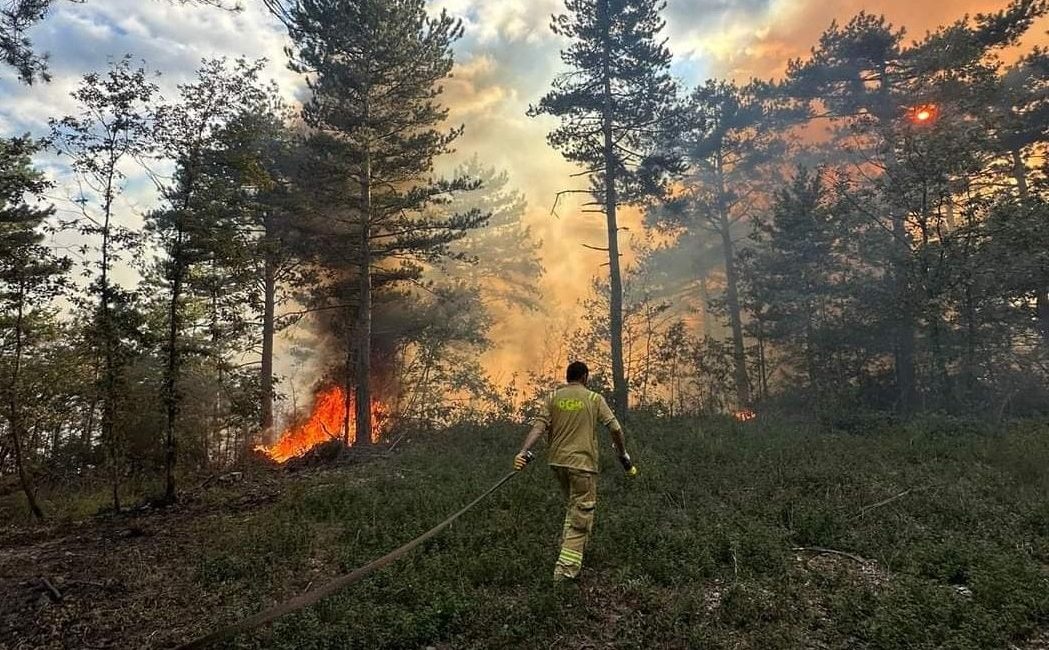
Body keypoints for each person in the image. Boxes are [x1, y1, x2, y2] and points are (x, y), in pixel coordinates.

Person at [514, 361, 637, 581]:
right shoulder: (593, 399)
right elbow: (615, 428)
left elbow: (539, 427)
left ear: (568, 377)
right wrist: (623, 453)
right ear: (585, 377)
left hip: (558, 463)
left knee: (574, 507)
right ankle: (564, 574)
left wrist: (523, 451)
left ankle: (569, 550)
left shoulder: (553, 398)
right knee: (582, 516)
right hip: (582, 465)